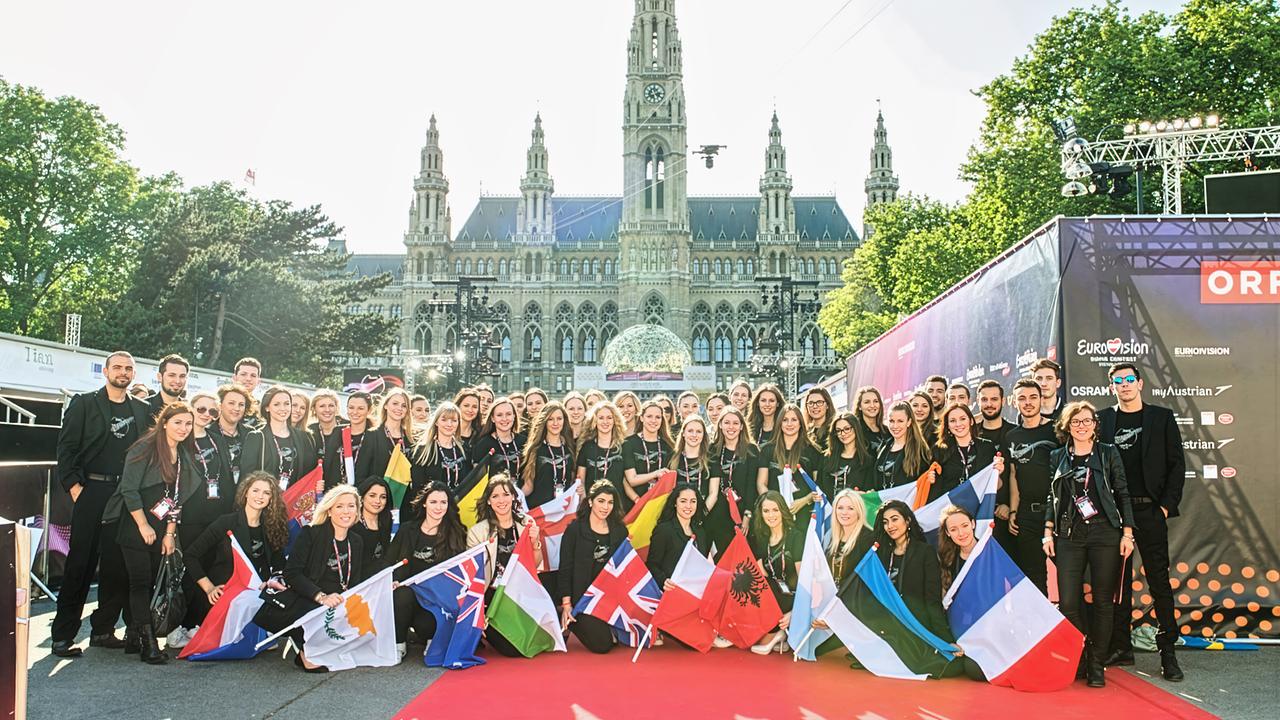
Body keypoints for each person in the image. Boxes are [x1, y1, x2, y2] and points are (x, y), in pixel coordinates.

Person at [50, 351, 154, 658]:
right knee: (80, 564)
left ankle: (103, 630)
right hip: (91, 491)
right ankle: (63, 635)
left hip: (124, 494)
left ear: (134, 374)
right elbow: (66, 449)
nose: (123, 372)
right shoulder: (84, 403)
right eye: (118, 367)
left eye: (129, 369)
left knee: (116, 565)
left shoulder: (142, 408)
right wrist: (75, 489)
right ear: (106, 371)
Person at [1096, 363, 1185, 681]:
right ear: (1111, 387)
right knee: (1114, 585)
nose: (1124, 384)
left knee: (1159, 582)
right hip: (1114, 515)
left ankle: (1168, 652)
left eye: (1129, 379)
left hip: (1149, 512)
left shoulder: (1161, 417)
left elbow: (1177, 464)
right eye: (1117, 381)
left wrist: (1164, 507)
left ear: (1140, 383)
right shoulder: (1102, 420)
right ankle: (1119, 648)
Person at [1043, 401, 1135, 688]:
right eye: (1075, 422)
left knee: (1104, 602)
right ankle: (1081, 653)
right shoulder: (1058, 456)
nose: (1081, 426)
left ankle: (1097, 663)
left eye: (1087, 420)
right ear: (1067, 427)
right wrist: (1048, 531)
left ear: (1096, 424)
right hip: (1069, 535)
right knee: (1069, 603)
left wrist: (1127, 534)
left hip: (1105, 533)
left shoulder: (1108, 453)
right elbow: (1052, 496)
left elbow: (1122, 493)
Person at [103, 402, 199, 664]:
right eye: (178, 422)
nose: (183, 428)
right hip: (136, 524)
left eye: (188, 423)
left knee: (152, 584)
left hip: (161, 526)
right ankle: (149, 643)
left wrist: (169, 533)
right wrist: (143, 525)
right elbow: (129, 490)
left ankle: (134, 636)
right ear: (164, 422)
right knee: (140, 582)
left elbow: (178, 499)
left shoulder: (182, 454)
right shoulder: (144, 447)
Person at [254, 484, 366, 672]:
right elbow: (292, 573)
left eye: (351, 506)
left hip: (337, 599)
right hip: (306, 598)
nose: (346, 511)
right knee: (315, 610)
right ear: (329, 510)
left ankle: (318, 645)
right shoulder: (311, 534)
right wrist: (321, 596)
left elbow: (354, 579)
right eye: (339, 506)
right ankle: (306, 651)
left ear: (357, 511)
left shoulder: (356, 541)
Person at [185, 472, 289, 636]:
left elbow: (279, 564)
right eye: (255, 490)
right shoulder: (226, 522)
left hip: (255, 594)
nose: (260, 496)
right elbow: (190, 556)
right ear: (246, 492)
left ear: (271, 499)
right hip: (224, 593)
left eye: (266, 493)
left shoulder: (271, 527)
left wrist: (271, 582)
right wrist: (209, 588)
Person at [172, 390, 238, 646]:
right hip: (190, 515)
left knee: (211, 569)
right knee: (191, 569)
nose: (207, 415)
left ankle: (196, 623)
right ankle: (179, 624)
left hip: (217, 513)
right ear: (190, 409)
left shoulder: (216, 438)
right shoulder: (180, 438)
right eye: (201, 410)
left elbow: (226, 476)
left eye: (212, 411)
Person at [465, 474, 542, 658]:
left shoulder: (526, 524)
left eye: (506, 494)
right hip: (492, 596)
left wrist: (536, 542)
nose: (501, 500)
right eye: (495, 496)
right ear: (489, 501)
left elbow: (536, 564)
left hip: (519, 594)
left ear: (514, 497)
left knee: (528, 642)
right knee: (511, 649)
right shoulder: (478, 532)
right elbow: (474, 576)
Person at [390, 481, 467, 659]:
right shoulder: (407, 530)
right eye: (433, 502)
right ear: (424, 503)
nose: (438, 507)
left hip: (435, 600)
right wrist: (393, 579)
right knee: (401, 595)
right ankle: (398, 642)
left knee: (426, 626)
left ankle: (434, 639)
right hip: (407, 595)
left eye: (443, 502)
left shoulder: (457, 532)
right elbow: (389, 561)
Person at [558, 481, 629, 654]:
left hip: (608, 599)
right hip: (580, 599)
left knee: (623, 638)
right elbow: (565, 568)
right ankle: (568, 619)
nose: (606, 507)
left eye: (610, 502)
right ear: (590, 501)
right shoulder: (574, 530)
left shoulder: (620, 531)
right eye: (601, 501)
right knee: (602, 645)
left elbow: (625, 567)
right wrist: (567, 604)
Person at [1005, 379, 1059, 594]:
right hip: (1026, 515)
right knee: (1033, 576)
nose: (1028, 402)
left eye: (1033, 397)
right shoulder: (1012, 436)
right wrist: (1013, 510)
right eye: (1022, 398)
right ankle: (1039, 626)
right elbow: (1013, 475)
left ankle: (1078, 627)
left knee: (1068, 573)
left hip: (1057, 512)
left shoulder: (1056, 430)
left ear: (1041, 398)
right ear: (1014, 402)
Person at [872, 500, 952, 642]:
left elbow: (932, 599)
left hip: (916, 628)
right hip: (887, 626)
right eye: (885, 522)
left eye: (894, 519)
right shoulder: (882, 553)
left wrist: (945, 639)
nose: (890, 526)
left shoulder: (925, 552)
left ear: (907, 521)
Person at [747, 491, 801, 655]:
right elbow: (761, 577)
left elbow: (804, 582)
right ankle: (778, 633)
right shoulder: (761, 538)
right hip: (773, 594)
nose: (771, 515)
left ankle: (777, 632)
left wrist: (794, 612)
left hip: (794, 596)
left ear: (782, 511)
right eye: (766, 511)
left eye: (775, 510)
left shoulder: (796, 537)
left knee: (760, 642)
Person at [241, 385, 318, 488]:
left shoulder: (302, 437)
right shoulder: (256, 437)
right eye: (277, 404)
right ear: (267, 407)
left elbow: (309, 472)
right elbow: (247, 478)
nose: (283, 409)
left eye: (287, 404)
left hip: (293, 500)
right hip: (265, 500)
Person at [708, 407, 759, 553]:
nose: (731, 427)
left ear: (742, 426)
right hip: (719, 515)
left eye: (736, 423)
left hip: (743, 513)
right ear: (720, 425)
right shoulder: (712, 450)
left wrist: (747, 516)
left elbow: (751, 485)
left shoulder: (751, 450)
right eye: (727, 422)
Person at [758, 404, 824, 511]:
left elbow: (818, 484)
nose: (789, 424)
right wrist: (772, 506)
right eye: (785, 420)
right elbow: (761, 483)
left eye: (794, 420)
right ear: (780, 423)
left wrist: (804, 500)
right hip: (775, 513)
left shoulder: (813, 451)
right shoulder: (767, 450)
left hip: (804, 512)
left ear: (800, 423)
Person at [931, 403, 1002, 501]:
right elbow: (935, 487)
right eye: (952, 421)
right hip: (949, 510)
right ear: (947, 426)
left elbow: (996, 486)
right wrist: (930, 479)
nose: (958, 424)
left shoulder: (987, 447)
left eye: (963, 419)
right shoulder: (939, 450)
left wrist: (997, 473)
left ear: (971, 421)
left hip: (978, 509)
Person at [646, 483, 711, 589]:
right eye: (683, 501)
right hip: (670, 592)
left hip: (693, 592)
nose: (688, 506)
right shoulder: (664, 530)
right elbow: (652, 565)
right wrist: (663, 581)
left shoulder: (700, 532)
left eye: (693, 501)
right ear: (675, 503)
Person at [409, 402, 471, 508]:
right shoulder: (423, 450)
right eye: (444, 419)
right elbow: (417, 488)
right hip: (432, 510)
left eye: (454, 420)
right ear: (436, 422)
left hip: (458, 509)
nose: (449, 424)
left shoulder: (464, 449)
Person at [621, 399, 674, 511]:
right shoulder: (628, 443)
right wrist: (637, 500)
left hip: (661, 505)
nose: (653, 421)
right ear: (641, 418)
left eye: (658, 417)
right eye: (649, 416)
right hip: (635, 504)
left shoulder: (669, 445)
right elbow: (631, 480)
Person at [521, 401, 574, 507]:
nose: (555, 423)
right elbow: (528, 485)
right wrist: (514, 497)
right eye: (550, 419)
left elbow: (572, 481)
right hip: (541, 511)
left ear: (564, 421)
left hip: (564, 510)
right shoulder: (536, 449)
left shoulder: (570, 448)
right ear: (544, 422)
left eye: (559, 419)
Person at [357, 387, 414, 487]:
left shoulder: (411, 439)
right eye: (395, 403)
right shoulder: (372, 435)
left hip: (404, 497)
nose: (399, 408)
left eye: (404, 406)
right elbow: (361, 474)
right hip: (379, 498)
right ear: (386, 405)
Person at [873, 401, 931, 490]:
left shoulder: (920, 450)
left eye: (900, 421)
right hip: (882, 502)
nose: (895, 426)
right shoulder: (883, 447)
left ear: (909, 422)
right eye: (891, 421)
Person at [575, 401, 626, 489]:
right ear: (595, 421)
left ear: (615, 420)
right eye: (601, 418)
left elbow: (627, 480)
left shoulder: (623, 447)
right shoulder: (586, 447)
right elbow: (581, 481)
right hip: (592, 500)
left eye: (609, 418)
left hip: (617, 500)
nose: (605, 421)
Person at [471, 397, 526, 479]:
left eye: (508, 414)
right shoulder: (483, 445)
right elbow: (478, 479)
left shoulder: (524, 442)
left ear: (514, 416)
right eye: (499, 415)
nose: (504, 419)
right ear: (493, 418)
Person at [827, 489, 872, 589]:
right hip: (834, 598)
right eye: (840, 508)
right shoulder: (834, 537)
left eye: (851, 508)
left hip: (856, 600)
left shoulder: (868, 538)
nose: (844, 512)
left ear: (859, 511)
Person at [350, 477, 394, 571]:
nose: (378, 501)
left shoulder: (386, 520)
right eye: (372, 495)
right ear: (361, 497)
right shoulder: (351, 522)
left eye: (383, 497)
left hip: (379, 575)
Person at [308, 389, 347, 492]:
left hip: (343, 489)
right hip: (316, 490)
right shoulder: (309, 431)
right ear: (314, 409)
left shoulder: (347, 428)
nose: (327, 410)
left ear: (336, 408)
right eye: (322, 406)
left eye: (331, 405)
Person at [824, 412, 873, 496]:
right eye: (838, 431)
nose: (843, 434)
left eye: (847, 429)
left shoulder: (867, 460)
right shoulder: (827, 458)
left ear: (856, 428)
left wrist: (864, 494)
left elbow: (870, 492)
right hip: (830, 508)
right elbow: (820, 488)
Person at [214, 384, 252, 485]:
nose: (236, 408)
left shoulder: (251, 434)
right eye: (231, 403)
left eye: (241, 404)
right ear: (220, 405)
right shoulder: (208, 432)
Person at [937, 505, 978, 593]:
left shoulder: (991, 551)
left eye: (965, 526)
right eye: (953, 529)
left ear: (973, 524)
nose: (961, 533)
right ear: (947, 533)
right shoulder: (948, 559)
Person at [340, 392, 374, 486]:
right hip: (339, 493)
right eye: (351, 408)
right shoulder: (337, 432)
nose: (355, 412)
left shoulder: (375, 436)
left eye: (360, 408)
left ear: (369, 410)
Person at [146, 353, 189, 418]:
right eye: (172, 375)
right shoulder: (143, 407)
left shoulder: (189, 410)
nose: (177, 381)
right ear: (160, 377)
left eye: (182, 376)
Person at [854, 385, 889, 456]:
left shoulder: (887, 431)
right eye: (867, 402)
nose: (872, 405)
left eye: (876, 401)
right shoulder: (855, 430)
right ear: (860, 406)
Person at [233, 358, 264, 429]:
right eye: (243, 374)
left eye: (253, 375)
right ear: (234, 378)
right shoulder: (220, 403)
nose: (248, 379)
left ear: (258, 381)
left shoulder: (261, 408)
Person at [803, 387, 835, 453]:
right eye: (811, 403)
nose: (815, 406)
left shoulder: (834, 430)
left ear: (827, 405)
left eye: (819, 402)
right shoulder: (804, 431)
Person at [1031, 358, 1063, 423]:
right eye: (1039, 379)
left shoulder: (1069, 413)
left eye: (1049, 378)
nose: (1043, 384)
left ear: (1058, 383)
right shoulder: (1025, 414)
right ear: (1033, 383)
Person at [454, 388, 483, 455]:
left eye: (475, 407)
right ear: (458, 406)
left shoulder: (481, 434)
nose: (470, 410)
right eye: (466, 406)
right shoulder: (448, 431)